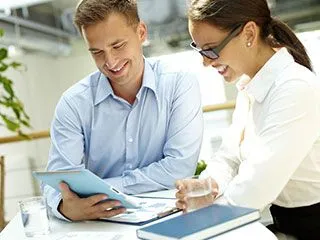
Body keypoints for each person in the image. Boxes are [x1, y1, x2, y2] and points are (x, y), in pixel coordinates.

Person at [44, 0, 203, 222]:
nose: (110, 61)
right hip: (99, 224)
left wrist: (102, 189)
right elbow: (57, 181)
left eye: (117, 46)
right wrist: (65, 207)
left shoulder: (179, 84)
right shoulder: (74, 103)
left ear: (141, 32)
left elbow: (179, 167)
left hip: (169, 218)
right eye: (97, 52)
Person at [175, 0, 320, 239]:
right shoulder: (251, 86)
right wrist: (206, 186)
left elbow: (255, 188)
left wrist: (199, 220)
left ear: (249, 33)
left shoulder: (294, 88)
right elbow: (229, 157)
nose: (205, 62)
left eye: (210, 49)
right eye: (199, 50)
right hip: (285, 225)